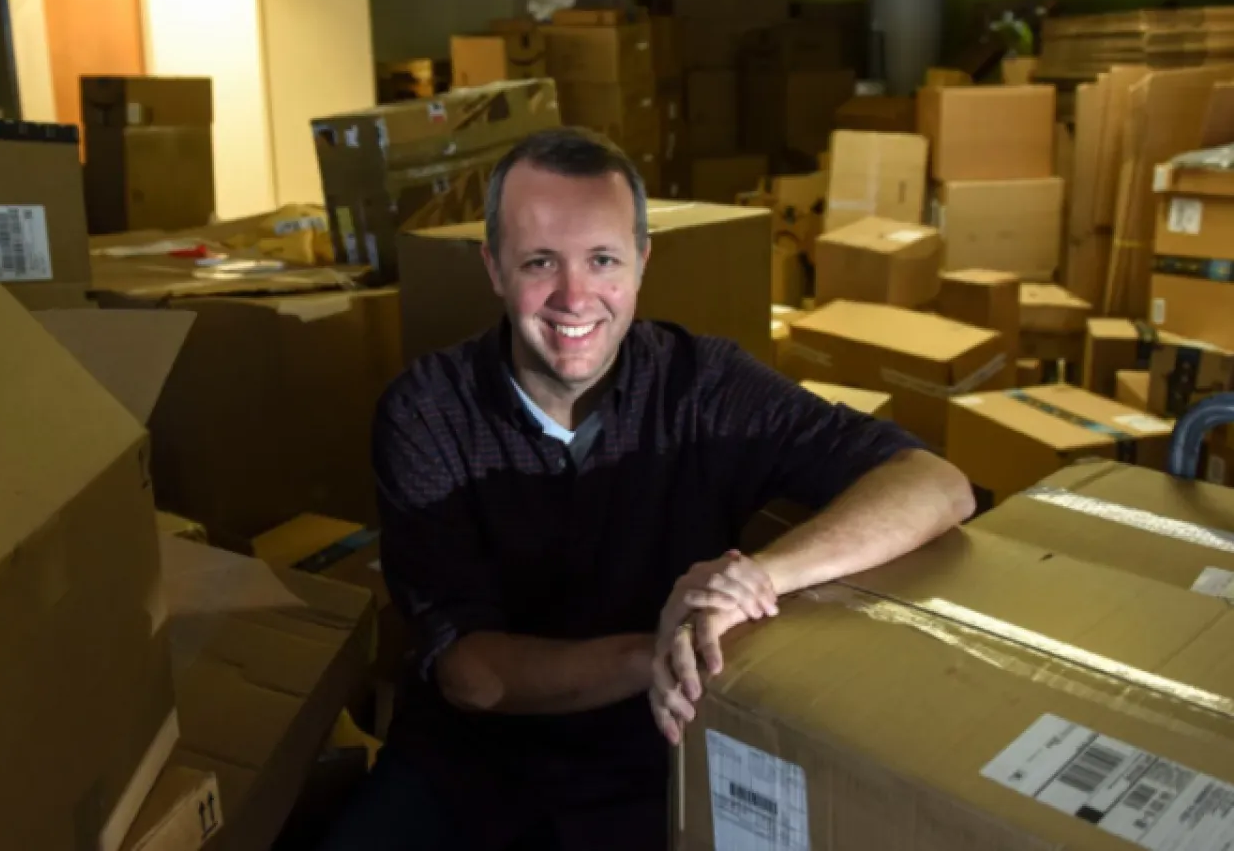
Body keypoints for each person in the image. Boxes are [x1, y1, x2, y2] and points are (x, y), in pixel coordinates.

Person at [319, 128, 974, 851]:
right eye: (540, 262)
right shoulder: (425, 411)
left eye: (603, 260)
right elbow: (472, 674)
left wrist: (754, 577)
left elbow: (935, 483)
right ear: (495, 270)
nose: (575, 297)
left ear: (641, 265)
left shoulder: (706, 387)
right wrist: (665, 649)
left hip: (651, 759)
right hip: (468, 765)